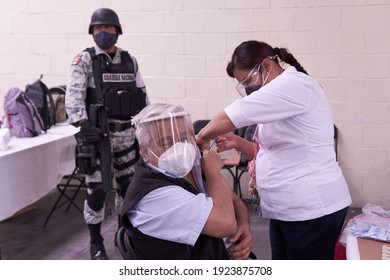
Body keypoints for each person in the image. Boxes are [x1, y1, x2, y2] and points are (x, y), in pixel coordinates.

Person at [196, 40, 352, 260]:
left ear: (267, 67)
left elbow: (235, 113)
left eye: (248, 81)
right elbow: (271, 153)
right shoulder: (277, 97)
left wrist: (200, 137)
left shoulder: (295, 85)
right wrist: (237, 143)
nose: (248, 89)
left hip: (312, 207)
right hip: (285, 208)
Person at [65, 8, 149, 260]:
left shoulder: (129, 60)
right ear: (92, 32)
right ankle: (95, 241)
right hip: (98, 137)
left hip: (126, 136)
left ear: (117, 31)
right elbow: (74, 96)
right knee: (97, 190)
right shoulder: (85, 60)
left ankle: (124, 234)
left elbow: (143, 95)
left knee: (128, 187)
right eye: (98, 28)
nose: (103, 32)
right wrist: (84, 125)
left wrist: (146, 126)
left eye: (108, 28)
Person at [120, 103, 253, 259]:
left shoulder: (193, 164)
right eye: (166, 142)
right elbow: (225, 223)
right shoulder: (152, 193)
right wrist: (213, 172)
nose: (179, 149)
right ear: (144, 151)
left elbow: (236, 203)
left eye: (184, 138)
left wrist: (244, 227)